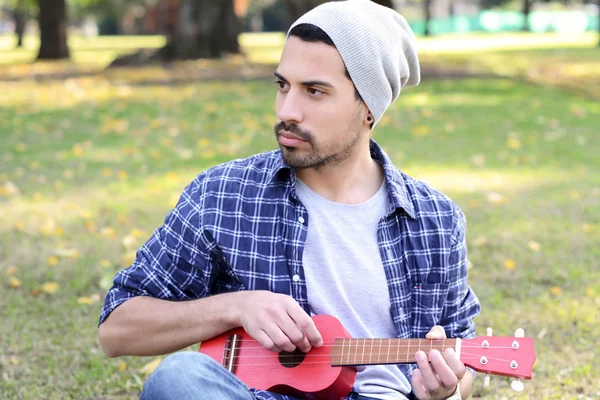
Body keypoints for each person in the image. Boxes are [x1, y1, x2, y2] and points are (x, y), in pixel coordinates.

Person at [97, 1, 481, 399]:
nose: (287, 111)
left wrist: (446, 390)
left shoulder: (435, 219)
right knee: (178, 378)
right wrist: (236, 307)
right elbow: (116, 330)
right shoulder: (224, 194)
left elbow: (462, 359)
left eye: (314, 91)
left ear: (368, 107)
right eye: (283, 85)